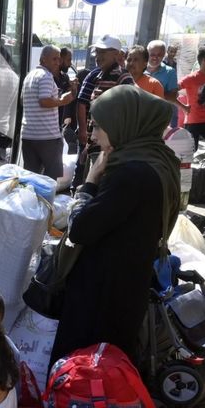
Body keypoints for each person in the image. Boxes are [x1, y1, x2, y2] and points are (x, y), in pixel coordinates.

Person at [50, 86, 180, 367]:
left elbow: (80, 228)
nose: (94, 136)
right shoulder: (158, 159)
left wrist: (90, 182)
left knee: (89, 367)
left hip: (103, 290)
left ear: (125, 124)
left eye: (100, 128)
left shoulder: (131, 174)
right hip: (129, 280)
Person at [75, 35, 133, 184]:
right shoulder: (97, 76)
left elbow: (128, 111)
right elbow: (87, 108)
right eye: (97, 52)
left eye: (103, 52)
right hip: (94, 143)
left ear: (116, 54)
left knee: (96, 184)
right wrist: (87, 143)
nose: (98, 56)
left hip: (108, 147)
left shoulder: (123, 77)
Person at [20, 45, 75, 179]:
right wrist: (62, 100)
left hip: (29, 136)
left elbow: (23, 100)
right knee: (50, 181)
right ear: (43, 60)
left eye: (59, 59)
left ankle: (32, 200)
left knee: (31, 179)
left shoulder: (29, 76)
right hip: (47, 138)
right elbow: (44, 101)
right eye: (54, 59)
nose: (58, 62)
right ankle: (45, 201)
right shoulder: (46, 76)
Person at [178, 44, 205, 160]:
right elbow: (170, 92)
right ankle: (184, 174)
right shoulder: (190, 78)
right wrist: (182, 106)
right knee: (191, 150)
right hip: (194, 121)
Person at [146, 40, 182, 127]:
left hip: (159, 118)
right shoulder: (139, 68)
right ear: (147, 53)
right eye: (152, 54)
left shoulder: (170, 72)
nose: (155, 58)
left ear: (163, 55)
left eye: (159, 55)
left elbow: (173, 96)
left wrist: (149, 94)